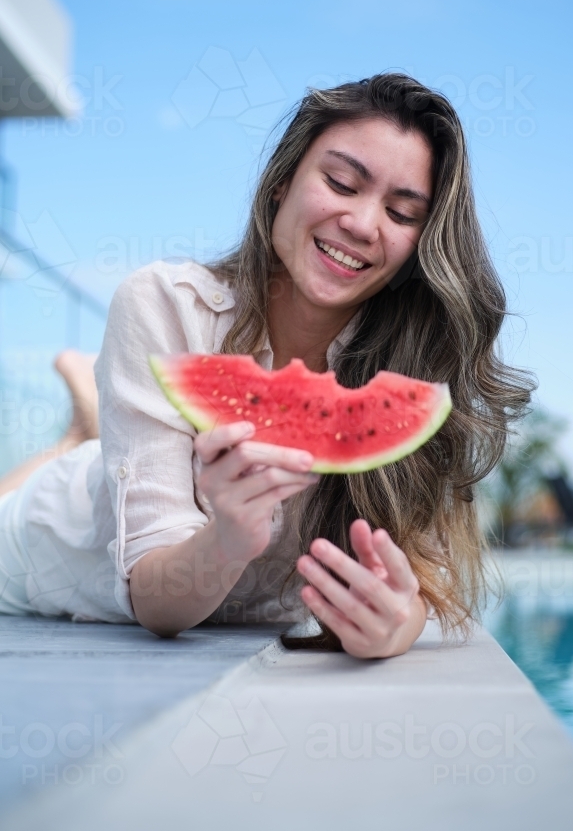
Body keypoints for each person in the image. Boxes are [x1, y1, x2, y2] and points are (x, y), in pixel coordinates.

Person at [0, 74, 532, 658]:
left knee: (100, 451)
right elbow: (158, 606)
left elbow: (423, 578)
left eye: (403, 213)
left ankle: (91, 431)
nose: (362, 223)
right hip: (49, 536)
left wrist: (399, 622)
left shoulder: (418, 365)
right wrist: (229, 537)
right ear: (282, 183)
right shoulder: (166, 306)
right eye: (340, 182)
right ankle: (87, 437)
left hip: (118, 475)